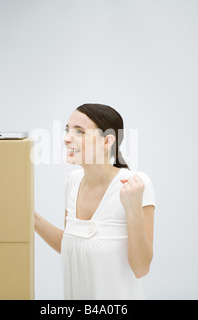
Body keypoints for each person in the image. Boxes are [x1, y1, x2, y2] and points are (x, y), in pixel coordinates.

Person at [35, 103, 156, 299]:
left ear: (107, 141)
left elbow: (141, 268)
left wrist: (133, 208)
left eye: (79, 132)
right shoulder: (72, 182)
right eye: (67, 130)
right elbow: (70, 243)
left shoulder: (135, 184)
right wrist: (31, 218)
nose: (66, 138)